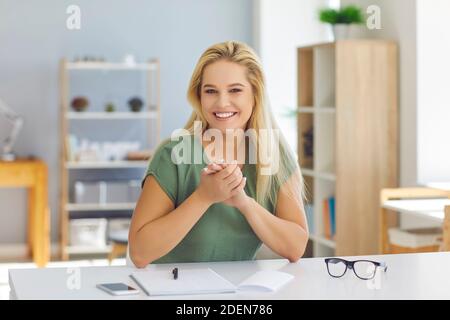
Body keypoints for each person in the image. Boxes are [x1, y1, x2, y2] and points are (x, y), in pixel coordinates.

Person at [129, 40, 309, 268]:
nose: (222, 102)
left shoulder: (274, 155)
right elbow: (140, 253)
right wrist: (204, 197)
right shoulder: (173, 155)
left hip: (238, 295)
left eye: (235, 90)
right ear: (199, 97)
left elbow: (295, 248)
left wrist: (244, 203)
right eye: (211, 91)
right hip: (172, 292)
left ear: (255, 94)